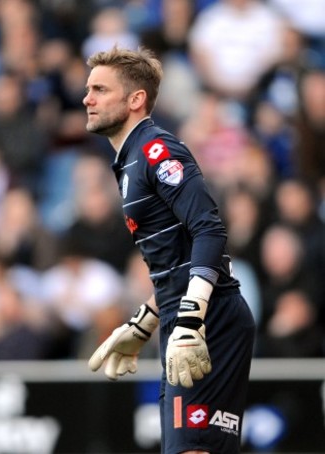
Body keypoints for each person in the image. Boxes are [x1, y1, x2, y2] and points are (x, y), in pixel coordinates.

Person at [84, 47, 255, 454]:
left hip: (208, 321)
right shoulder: (129, 160)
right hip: (186, 320)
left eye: (99, 89)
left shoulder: (156, 150)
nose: (87, 99)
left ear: (135, 99)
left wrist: (193, 317)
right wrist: (144, 322)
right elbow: (175, 260)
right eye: (88, 89)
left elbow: (209, 230)